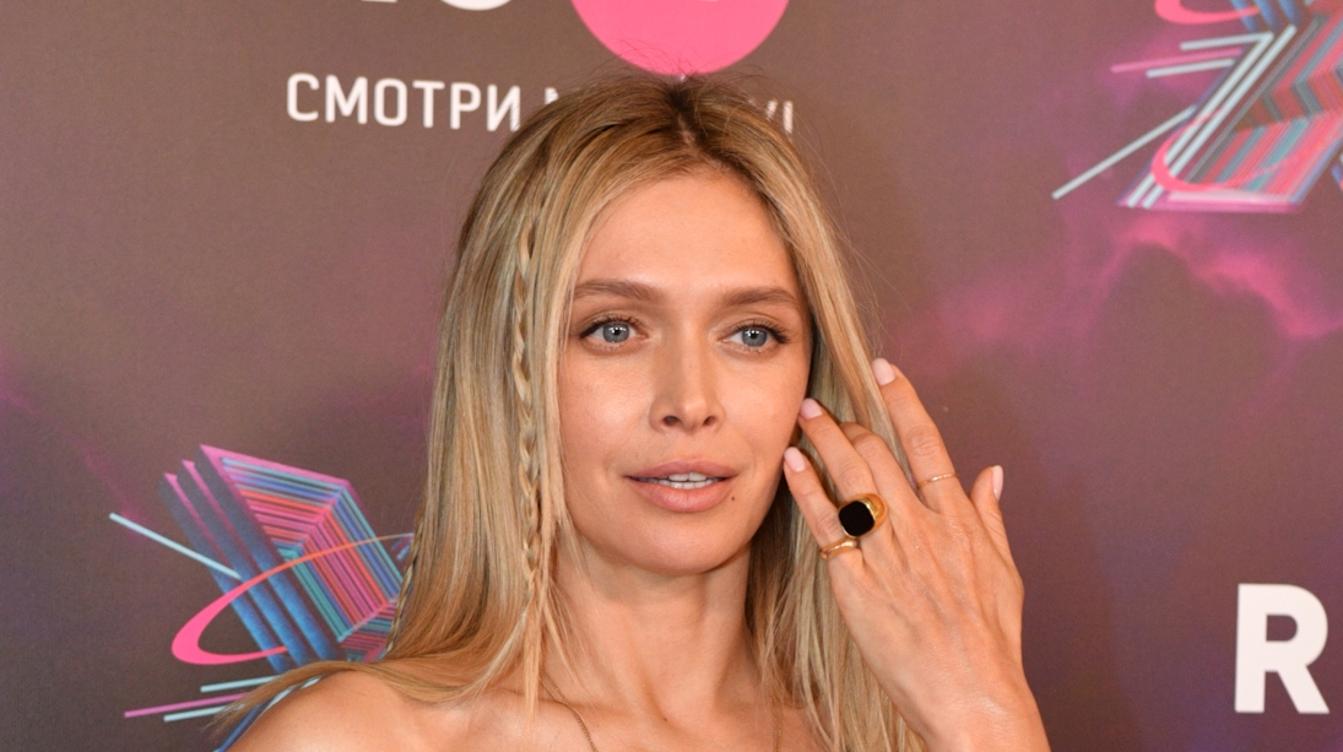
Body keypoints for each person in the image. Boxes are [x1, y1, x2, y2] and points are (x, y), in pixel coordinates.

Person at [220, 71, 1049, 751]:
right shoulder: (358, 741)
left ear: (811, 378)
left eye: (751, 334)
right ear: (507, 370)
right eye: (613, 330)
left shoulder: (903, 734)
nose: (689, 402)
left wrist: (985, 720)